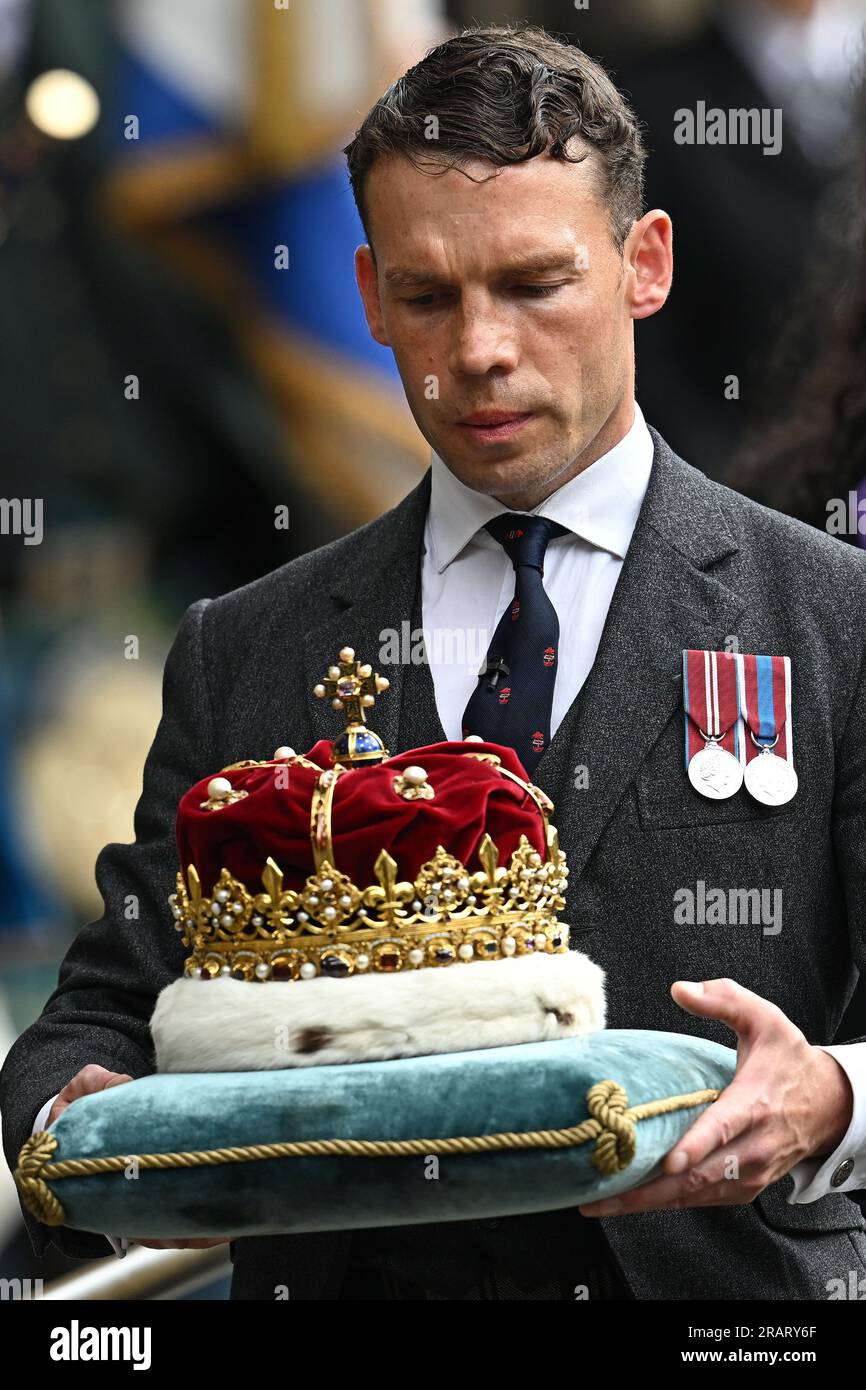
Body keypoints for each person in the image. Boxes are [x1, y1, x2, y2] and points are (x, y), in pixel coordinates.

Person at [2, 22, 866, 1301]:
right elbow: (102, 1008)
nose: (477, 351)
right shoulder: (242, 649)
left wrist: (832, 1095)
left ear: (646, 263)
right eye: (425, 295)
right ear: (363, 296)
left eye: (531, 284)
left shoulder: (830, 615)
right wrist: (89, 1126)